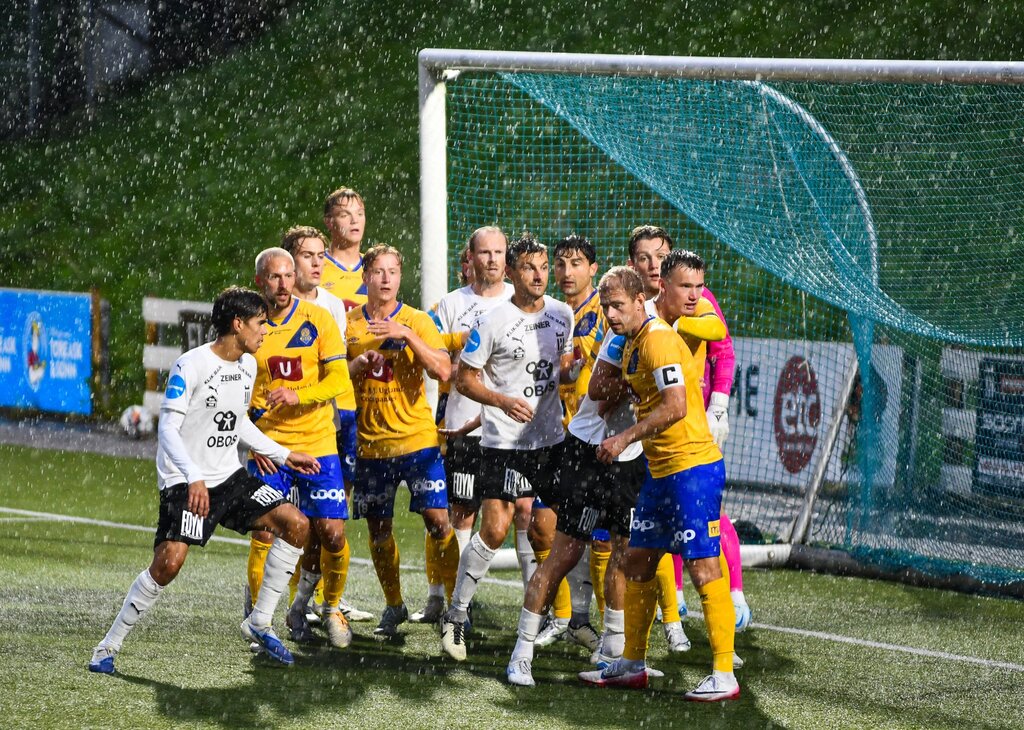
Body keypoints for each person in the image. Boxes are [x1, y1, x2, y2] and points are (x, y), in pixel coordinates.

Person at [89, 287, 318, 673]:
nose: (265, 331)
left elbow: (238, 421)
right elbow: (167, 429)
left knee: (296, 524)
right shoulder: (190, 365)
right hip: (184, 480)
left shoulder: (248, 366)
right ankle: (107, 647)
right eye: (260, 323)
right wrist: (193, 477)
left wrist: (282, 453)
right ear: (238, 324)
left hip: (229, 477)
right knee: (168, 565)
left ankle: (260, 622)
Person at [579, 257, 739, 702]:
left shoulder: (658, 340)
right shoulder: (631, 342)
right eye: (605, 307)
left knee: (703, 566)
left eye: (617, 305)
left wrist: (623, 438)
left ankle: (724, 673)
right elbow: (603, 390)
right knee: (639, 560)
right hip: (661, 471)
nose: (610, 314)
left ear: (640, 300)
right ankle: (632, 663)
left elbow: (676, 406)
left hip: (692, 469)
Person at [440, 234, 575, 661]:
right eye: (529, 267)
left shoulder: (563, 314)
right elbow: (464, 380)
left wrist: (580, 369)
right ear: (513, 272)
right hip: (502, 442)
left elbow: (562, 370)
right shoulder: (492, 321)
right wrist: (501, 401)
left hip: (549, 442)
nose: (539, 275)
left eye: (544, 267)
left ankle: (551, 622)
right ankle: (456, 614)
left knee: (548, 532)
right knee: (495, 529)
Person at [627, 225, 751, 637]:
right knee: (641, 548)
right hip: (650, 442)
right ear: (633, 264)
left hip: (690, 436)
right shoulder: (630, 310)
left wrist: (719, 406)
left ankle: (730, 612)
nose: (654, 264)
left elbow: (720, 338)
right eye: (645, 257)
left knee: (704, 533)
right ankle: (648, 635)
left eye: (661, 256)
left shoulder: (691, 300)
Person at [346, 244, 459, 639]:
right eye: (378, 271)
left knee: (438, 522)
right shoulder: (348, 324)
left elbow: (443, 369)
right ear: (365, 277)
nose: (386, 279)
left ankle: (455, 609)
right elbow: (333, 377)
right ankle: (394, 605)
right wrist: (356, 364)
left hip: (418, 442)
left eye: (393, 271)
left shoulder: (417, 320)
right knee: (379, 530)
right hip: (371, 446)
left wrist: (406, 335)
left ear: (400, 276)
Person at [247, 248, 354, 649]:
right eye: (275, 277)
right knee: (264, 532)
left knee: (331, 533)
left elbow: (339, 380)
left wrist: (299, 395)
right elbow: (238, 391)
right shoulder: (250, 326)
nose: (283, 284)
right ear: (260, 281)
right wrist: (251, 442)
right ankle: (260, 622)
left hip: (317, 443)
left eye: (288, 276)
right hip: (269, 447)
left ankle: (324, 607)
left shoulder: (318, 318)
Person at [413, 226, 516, 624]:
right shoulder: (451, 304)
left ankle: (546, 611)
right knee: (460, 514)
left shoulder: (518, 301)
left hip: (512, 431)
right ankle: (447, 598)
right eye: (484, 252)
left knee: (520, 516)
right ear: (470, 258)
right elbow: (434, 362)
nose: (492, 259)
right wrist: (461, 358)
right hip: (464, 427)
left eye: (498, 252)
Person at [533, 234, 606, 649]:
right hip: (557, 433)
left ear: (593, 269)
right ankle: (568, 618)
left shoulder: (604, 310)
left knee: (602, 537)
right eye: (559, 264)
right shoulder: (553, 313)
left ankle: (617, 630)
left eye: (575, 263)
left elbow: (588, 366)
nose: (566, 272)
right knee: (548, 529)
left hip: (597, 436)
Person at [317, 187, 376, 623]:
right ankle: (296, 594)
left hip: (365, 402)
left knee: (342, 500)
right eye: (344, 214)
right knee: (314, 502)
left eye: (359, 213)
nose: (354, 221)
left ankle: (328, 595)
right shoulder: (317, 270)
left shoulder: (376, 269)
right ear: (329, 223)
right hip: (326, 400)